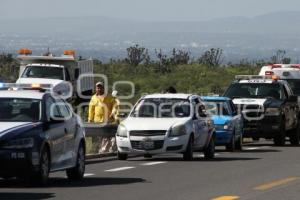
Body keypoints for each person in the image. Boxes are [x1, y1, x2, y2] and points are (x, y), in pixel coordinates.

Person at [88, 82, 119, 153]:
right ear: (96, 89)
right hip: (97, 122)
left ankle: (106, 150)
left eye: (100, 87)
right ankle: (96, 150)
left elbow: (115, 105)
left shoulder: (109, 97)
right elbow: (91, 109)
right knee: (97, 137)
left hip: (107, 121)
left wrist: (113, 113)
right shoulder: (93, 98)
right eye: (97, 88)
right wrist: (90, 119)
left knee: (106, 137)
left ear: (103, 88)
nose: (99, 89)